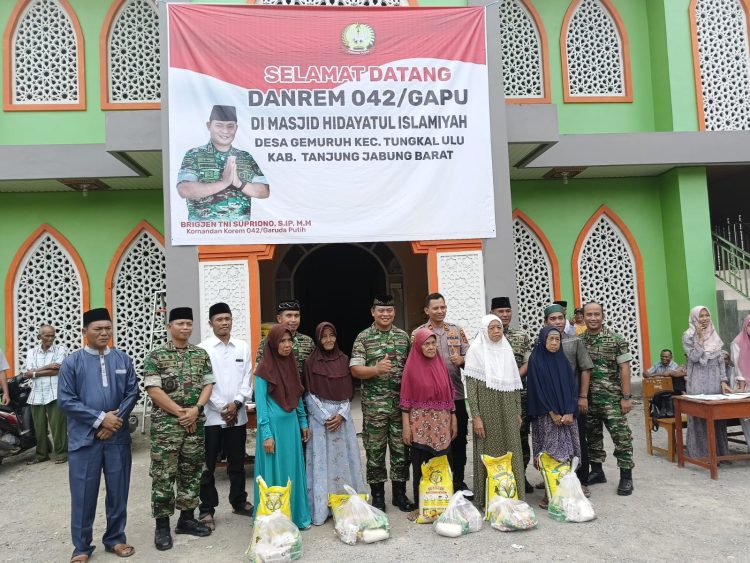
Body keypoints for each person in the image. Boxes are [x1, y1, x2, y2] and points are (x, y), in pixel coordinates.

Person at [57, 308, 139, 562]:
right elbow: (66, 400)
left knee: (118, 490)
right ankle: (81, 547)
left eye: (108, 328)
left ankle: (115, 538)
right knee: (83, 493)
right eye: (98, 329)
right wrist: (100, 418)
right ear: (84, 332)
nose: (104, 333)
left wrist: (113, 423)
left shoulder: (122, 359)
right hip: (84, 439)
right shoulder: (72, 362)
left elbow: (132, 392)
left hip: (116, 438)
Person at [144, 307, 215, 551]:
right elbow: (154, 390)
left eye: (188, 323)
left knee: (192, 470)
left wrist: (196, 409)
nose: (185, 328)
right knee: (164, 474)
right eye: (180, 323)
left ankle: (186, 519)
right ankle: (162, 525)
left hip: (194, 423)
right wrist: (181, 413)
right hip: (167, 427)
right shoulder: (156, 356)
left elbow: (208, 384)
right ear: (169, 327)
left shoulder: (200, 354)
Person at [350, 294, 415, 513]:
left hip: (400, 408)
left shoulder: (403, 337)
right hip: (374, 409)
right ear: (373, 312)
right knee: (375, 452)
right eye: (381, 311)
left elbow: (412, 370)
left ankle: (399, 494)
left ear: (394, 312)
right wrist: (376, 369)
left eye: (389, 310)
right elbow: (355, 369)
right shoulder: (363, 338)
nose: (385, 314)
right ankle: (377, 495)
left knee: (401, 452)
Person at [198, 303, 254, 531]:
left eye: (227, 319)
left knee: (237, 462)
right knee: (208, 466)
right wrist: (223, 407)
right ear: (210, 323)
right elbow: (205, 382)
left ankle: (239, 501)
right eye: (219, 319)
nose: (224, 323)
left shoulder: (242, 347)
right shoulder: (202, 350)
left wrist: (237, 403)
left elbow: (246, 380)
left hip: (237, 415)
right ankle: (206, 509)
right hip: (212, 418)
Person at [303, 322, 365, 526]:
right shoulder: (310, 363)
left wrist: (341, 415)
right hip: (321, 422)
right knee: (323, 462)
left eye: (332, 335)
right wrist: (325, 416)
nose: (328, 340)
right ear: (318, 339)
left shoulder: (344, 360)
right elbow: (308, 393)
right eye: (324, 336)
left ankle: (347, 503)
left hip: (342, 419)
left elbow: (348, 393)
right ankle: (323, 507)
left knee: (345, 461)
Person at [412, 293, 471, 498]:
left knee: (458, 439)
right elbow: (412, 364)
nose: (440, 311)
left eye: (443, 307)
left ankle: (458, 482)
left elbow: (472, 359)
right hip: (429, 401)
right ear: (427, 310)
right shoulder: (418, 333)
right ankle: (433, 482)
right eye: (435, 308)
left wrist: (462, 360)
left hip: (455, 394)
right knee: (431, 442)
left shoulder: (456, 331)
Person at [254, 325, 311, 529]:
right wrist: (266, 434)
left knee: (292, 472)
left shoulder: (291, 365)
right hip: (274, 431)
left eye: (289, 341)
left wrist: (303, 421)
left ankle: (296, 516)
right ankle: (274, 520)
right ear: (273, 343)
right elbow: (261, 406)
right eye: (282, 341)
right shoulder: (263, 370)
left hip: (291, 429)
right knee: (274, 474)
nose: (287, 345)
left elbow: (297, 396)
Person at [465, 314, 525, 506]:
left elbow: (515, 384)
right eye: (492, 328)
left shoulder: (506, 349)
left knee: (512, 448)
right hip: (486, 409)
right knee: (488, 450)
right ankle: (487, 497)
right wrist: (476, 417)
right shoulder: (475, 351)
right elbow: (471, 388)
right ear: (484, 330)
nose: (496, 331)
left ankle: (515, 495)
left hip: (507, 408)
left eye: (498, 328)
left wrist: (517, 410)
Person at [401, 328, 457, 521]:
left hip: (442, 422)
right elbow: (406, 400)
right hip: (420, 423)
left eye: (433, 343)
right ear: (418, 345)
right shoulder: (411, 367)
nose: (431, 347)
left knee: (443, 461)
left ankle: (443, 502)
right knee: (420, 463)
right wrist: (406, 426)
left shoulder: (440, 364)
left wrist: (453, 418)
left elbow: (450, 394)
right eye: (427, 344)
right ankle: (420, 506)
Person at [177, 105, 269, 221]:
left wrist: (239, 183)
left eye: (230, 126)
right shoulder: (194, 154)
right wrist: (224, 182)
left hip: (240, 234)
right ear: (209, 126)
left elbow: (263, 191)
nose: (225, 131)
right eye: (219, 125)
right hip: (204, 233)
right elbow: (185, 190)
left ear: (236, 128)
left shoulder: (245, 157)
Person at [581, 301, 634, 496]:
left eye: (596, 314)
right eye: (589, 315)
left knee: (621, 437)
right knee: (592, 436)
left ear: (602, 316)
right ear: (583, 316)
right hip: (588, 399)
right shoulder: (580, 340)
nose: (593, 318)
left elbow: (625, 369)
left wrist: (626, 397)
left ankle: (626, 476)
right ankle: (597, 471)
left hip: (612, 399)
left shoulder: (616, 340)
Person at [527, 326, 580, 509]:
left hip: (566, 417)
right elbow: (537, 390)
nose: (554, 343)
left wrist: (570, 412)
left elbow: (572, 388)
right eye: (551, 339)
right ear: (543, 340)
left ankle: (564, 492)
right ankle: (550, 493)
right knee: (549, 455)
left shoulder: (563, 361)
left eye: (557, 339)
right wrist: (553, 413)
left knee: (566, 455)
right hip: (547, 418)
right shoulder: (536, 360)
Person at [544, 303, 593, 492]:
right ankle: (556, 475)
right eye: (552, 319)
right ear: (545, 322)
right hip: (550, 403)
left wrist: (582, 396)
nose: (557, 322)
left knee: (577, 440)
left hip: (571, 400)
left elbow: (585, 369)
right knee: (553, 441)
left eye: (560, 318)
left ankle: (582, 480)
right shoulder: (542, 344)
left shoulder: (575, 342)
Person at [489, 296, 533, 493]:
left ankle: (521, 475)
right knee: (497, 436)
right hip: (494, 394)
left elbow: (528, 362)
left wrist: (513, 377)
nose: (505, 315)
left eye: (508, 311)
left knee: (521, 436)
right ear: (492, 314)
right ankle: (499, 477)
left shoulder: (520, 335)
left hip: (518, 394)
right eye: (501, 312)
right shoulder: (486, 335)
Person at [682, 306, 731, 459]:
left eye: (707, 315)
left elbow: (720, 361)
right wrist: (700, 338)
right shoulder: (688, 335)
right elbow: (695, 358)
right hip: (697, 378)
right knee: (699, 415)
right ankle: (701, 455)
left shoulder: (714, 334)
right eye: (701, 316)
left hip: (714, 378)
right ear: (695, 318)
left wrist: (723, 381)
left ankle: (719, 454)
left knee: (716, 415)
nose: (704, 318)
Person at [22, 324, 68, 464]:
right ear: (39, 337)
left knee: (58, 426)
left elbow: (57, 370)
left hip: (54, 392)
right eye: (47, 335)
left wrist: (35, 373)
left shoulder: (61, 350)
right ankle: (42, 454)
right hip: (36, 394)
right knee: (39, 428)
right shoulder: (31, 352)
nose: (50, 338)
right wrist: (47, 366)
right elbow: (28, 373)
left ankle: (61, 453)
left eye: (52, 335)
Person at [256, 299, 315, 380]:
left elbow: (313, 370)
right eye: (289, 316)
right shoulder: (268, 342)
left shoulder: (308, 341)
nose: (293, 320)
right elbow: (260, 372)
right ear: (279, 318)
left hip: (302, 390)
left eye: (296, 316)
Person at [730, 314, 750, 451]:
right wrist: (743, 386)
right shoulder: (737, 342)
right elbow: (738, 367)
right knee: (747, 419)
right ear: (745, 326)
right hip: (744, 386)